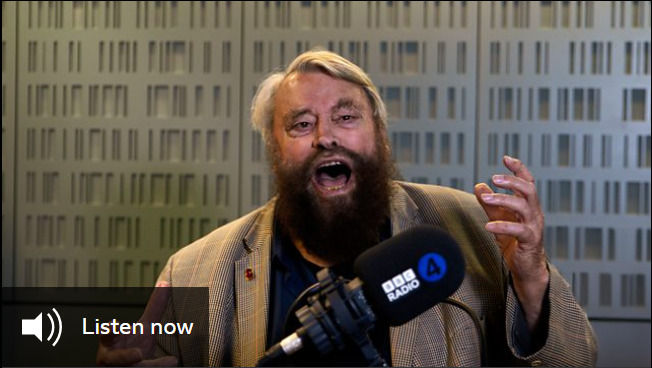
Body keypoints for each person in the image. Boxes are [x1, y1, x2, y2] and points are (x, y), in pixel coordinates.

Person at [97, 49, 597, 366]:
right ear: (274, 149)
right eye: (300, 124)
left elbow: (575, 361)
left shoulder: (468, 233)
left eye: (345, 116)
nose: (326, 137)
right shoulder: (195, 270)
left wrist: (531, 281)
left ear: (377, 135)